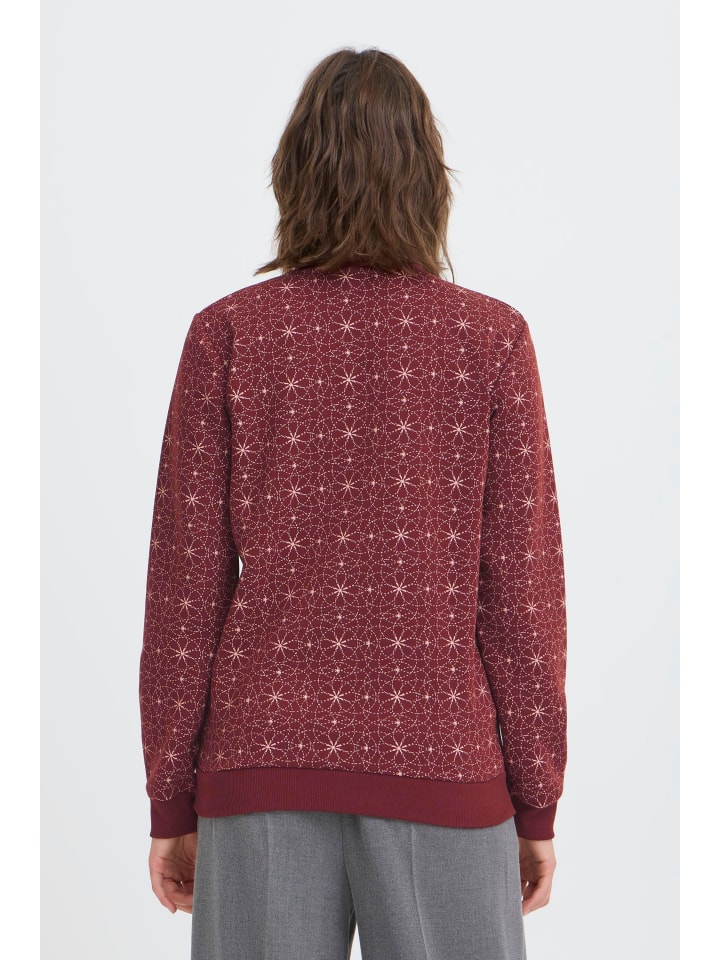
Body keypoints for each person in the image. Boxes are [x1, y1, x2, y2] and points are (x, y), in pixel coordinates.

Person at [139, 46, 568, 960]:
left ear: (295, 173)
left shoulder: (228, 335)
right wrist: (536, 800)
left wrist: (171, 799)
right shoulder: (491, 340)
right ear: (428, 177)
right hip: (442, 761)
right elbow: (522, 597)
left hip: (261, 762)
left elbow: (183, 592)